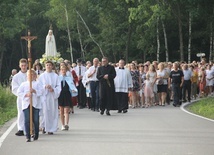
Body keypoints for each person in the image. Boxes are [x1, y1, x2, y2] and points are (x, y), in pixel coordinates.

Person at [17, 69, 43, 142]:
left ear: (35, 76)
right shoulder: (24, 84)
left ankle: (36, 134)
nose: (31, 76)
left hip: (35, 104)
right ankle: (27, 135)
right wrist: (26, 95)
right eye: (29, 75)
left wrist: (35, 91)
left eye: (32, 75)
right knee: (27, 120)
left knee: (35, 120)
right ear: (27, 76)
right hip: (26, 104)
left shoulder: (37, 84)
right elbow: (19, 92)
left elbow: (41, 92)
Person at [38, 61, 61, 135]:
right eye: (47, 65)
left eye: (50, 65)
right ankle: (44, 127)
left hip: (52, 96)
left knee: (52, 112)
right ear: (45, 66)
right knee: (44, 112)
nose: (48, 66)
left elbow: (59, 86)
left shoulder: (55, 76)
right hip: (44, 96)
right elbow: (38, 86)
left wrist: (53, 89)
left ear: (52, 66)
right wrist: (45, 86)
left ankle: (51, 128)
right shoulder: (42, 76)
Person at [12, 58, 28, 136]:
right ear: (19, 66)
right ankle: (21, 129)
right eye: (22, 65)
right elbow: (14, 88)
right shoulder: (16, 77)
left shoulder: (30, 74)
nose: (23, 67)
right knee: (21, 113)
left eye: (25, 65)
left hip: (30, 97)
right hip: (21, 98)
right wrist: (23, 94)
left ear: (27, 65)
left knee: (29, 113)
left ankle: (30, 128)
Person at [58, 65, 77, 131]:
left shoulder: (69, 78)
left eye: (64, 70)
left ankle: (66, 124)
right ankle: (62, 124)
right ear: (60, 71)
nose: (63, 71)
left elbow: (72, 86)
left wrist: (73, 90)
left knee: (66, 110)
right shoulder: (58, 78)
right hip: (61, 94)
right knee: (61, 110)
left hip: (67, 94)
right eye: (62, 70)